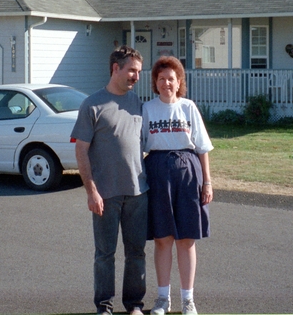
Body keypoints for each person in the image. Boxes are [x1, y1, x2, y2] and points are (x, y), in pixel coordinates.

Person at [72, 46, 149, 315]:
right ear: (115, 68)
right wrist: (91, 191)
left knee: (136, 253)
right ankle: (104, 307)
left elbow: (144, 144)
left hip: (138, 193)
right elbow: (81, 149)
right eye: (132, 71)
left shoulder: (139, 104)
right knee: (105, 255)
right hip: (106, 195)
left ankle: (134, 305)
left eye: (139, 72)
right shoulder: (92, 104)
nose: (136, 77)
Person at [142, 56, 213, 315]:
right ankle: (163, 299)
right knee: (162, 239)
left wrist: (207, 182)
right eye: (161, 79)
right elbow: (138, 147)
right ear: (155, 82)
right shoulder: (147, 109)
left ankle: (188, 300)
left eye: (171, 78)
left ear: (179, 81)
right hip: (158, 172)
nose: (166, 83)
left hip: (187, 172)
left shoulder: (188, 107)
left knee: (186, 240)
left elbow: (203, 148)